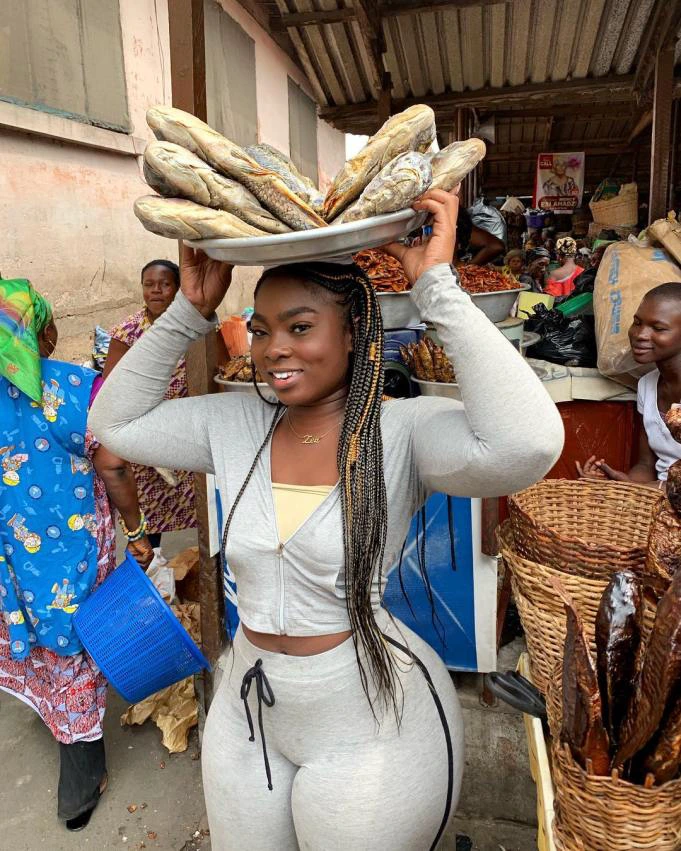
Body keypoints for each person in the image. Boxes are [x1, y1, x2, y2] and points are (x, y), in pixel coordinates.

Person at [89, 189, 563, 850]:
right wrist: (187, 311)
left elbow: (527, 444)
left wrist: (436, 287)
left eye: (300, 326)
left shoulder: (400, 432)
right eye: (260, 328)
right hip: (248, 707)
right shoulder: (234, 422)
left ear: (352, 332)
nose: (273, 347)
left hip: (365, 721)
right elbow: (113, 425)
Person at [0, 278, 152, 831]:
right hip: (70, 560)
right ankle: (81, 772)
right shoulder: (75, 389)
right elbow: (112, 465)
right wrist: (136, 528)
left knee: (33, 642)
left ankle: (54, 715)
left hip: (10, 564)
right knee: (73, 646)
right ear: (43, 330)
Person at [103, 259, 195, 549]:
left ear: (178, 288)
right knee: (148, 517)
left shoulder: (194, 327)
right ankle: (150, 581)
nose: (156, 291)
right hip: (144, 434)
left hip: (187, 432)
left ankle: (203, 577)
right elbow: (109, 385)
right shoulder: (127, 332)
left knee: (203, 511)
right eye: (149, 284)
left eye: (165, 284)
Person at [577, 282, 681, 486]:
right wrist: (622, 483)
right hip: (657, 501)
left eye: (658, 328)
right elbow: (645, 465)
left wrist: (635, 490)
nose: (640, 335)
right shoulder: (647, 386)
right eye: (637, 322)